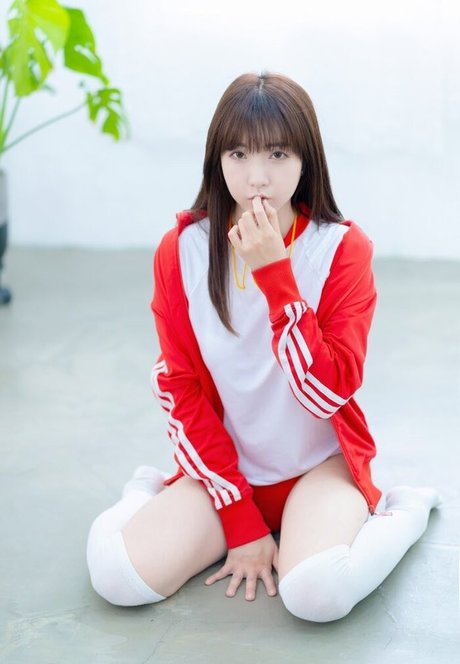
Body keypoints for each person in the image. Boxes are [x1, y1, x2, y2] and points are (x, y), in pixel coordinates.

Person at [86, 72, 441, 622]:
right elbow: (181, 387)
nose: (257, 177)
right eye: (238, 154)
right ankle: (144, 492)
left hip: (318, 469)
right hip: (223, 471)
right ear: (217, 159)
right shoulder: (181, 250)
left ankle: (405, 509)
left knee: (316, 595)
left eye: (277, 153)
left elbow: (327, 394)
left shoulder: (342, 250)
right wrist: (241, 521)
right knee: (117, 577)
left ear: (305, 158)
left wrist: (276, 275)